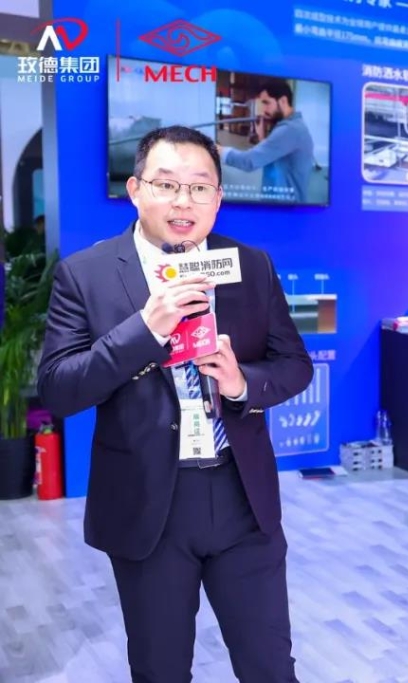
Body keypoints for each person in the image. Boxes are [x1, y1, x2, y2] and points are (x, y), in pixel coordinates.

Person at [36, 125, 313, 683]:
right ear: (136, 190)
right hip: (148, 505)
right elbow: (60, 388)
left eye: (200, 187)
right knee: (160, 670)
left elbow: (294, 365)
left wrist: (240, 383)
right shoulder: (86, 274)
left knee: (270, 668)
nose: (183, 202)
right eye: (166, 185)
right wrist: (144, 329)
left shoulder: (250, 265)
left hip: (242, 498)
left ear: (218, 197)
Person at [218, 79, 314, 204]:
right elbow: (273, 154)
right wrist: (262, 138)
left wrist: (217, 150)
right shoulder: (292, 126)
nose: (263, 110)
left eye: (266, 103)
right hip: (278, 201)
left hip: (285, 208)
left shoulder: (290, 130)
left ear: (283, 101)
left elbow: (248, 161)